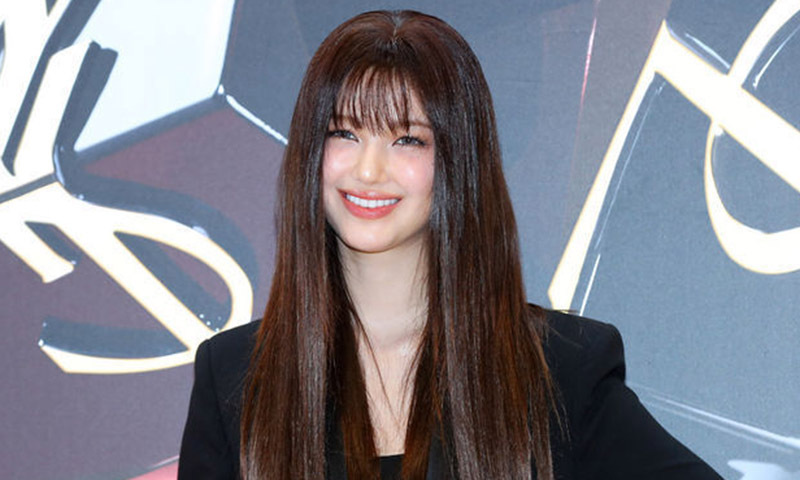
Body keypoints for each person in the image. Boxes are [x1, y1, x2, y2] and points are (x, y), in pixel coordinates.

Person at [178, 10, 722, 480]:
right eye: (344, 133)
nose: (368, 170)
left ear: (457, 163)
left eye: (407, 139)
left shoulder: (560, 370)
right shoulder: (233, 378)